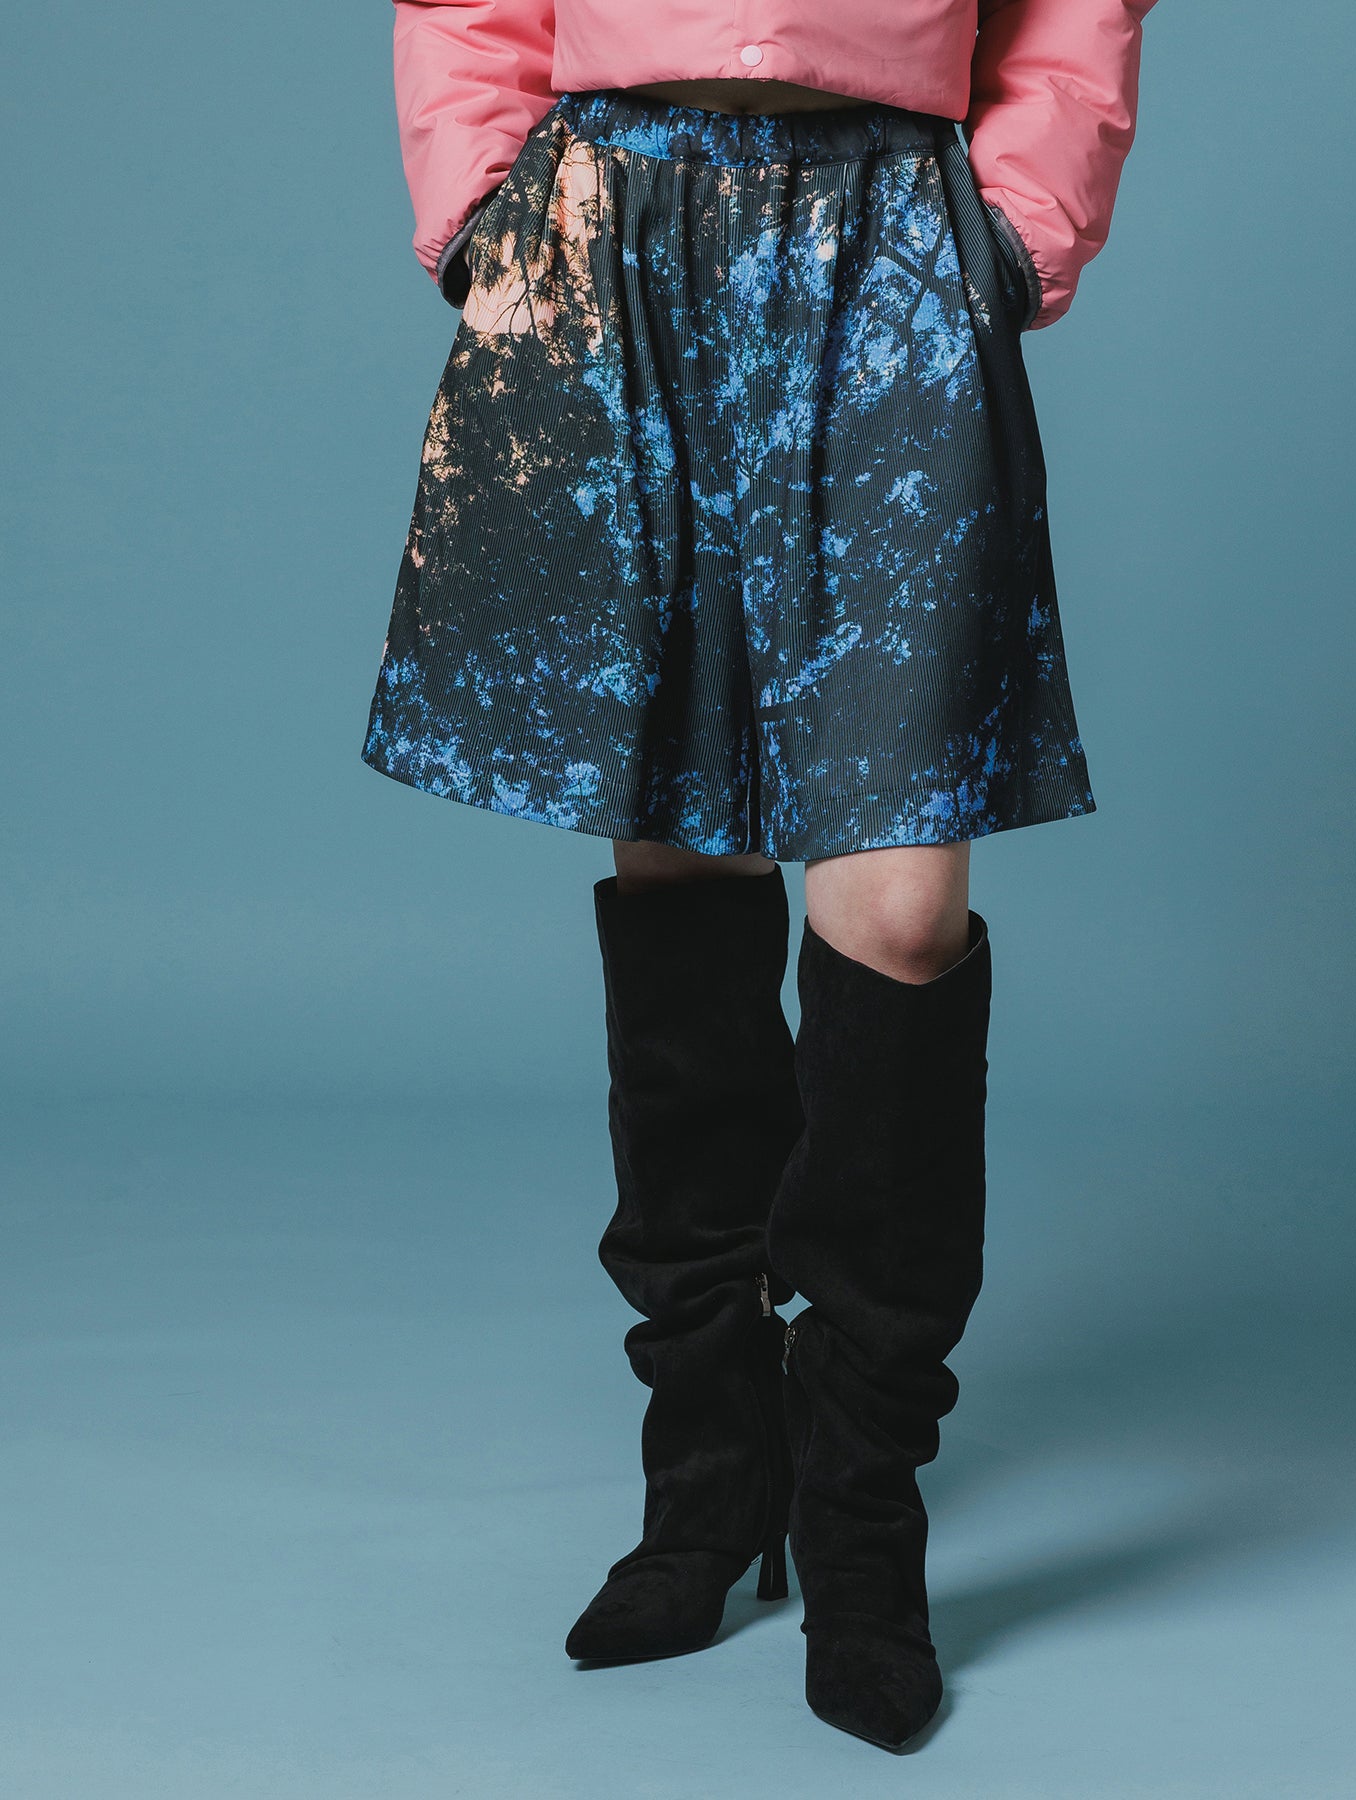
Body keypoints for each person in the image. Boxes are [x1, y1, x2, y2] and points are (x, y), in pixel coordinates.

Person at [361, 0, 1156, 1753]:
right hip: (609, 231)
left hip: (892, 238)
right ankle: (710, 1468)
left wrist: (1016, 230)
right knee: (679, 858)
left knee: (902, 910)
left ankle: (862, 1506)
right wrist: (485, 216)